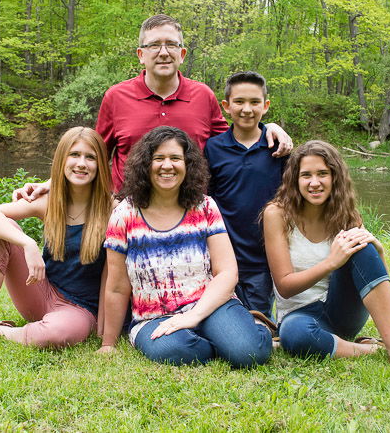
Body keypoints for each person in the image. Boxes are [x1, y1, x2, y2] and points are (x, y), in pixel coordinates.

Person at [13, 14, 292, 200]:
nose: (163, 52)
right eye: (154, 45)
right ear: (141, 55)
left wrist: (270, 128)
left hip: (190, 211)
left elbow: (234, 140)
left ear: (182, 54)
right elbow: (94, 153)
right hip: (127, 211)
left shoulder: (203, 95)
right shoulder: (116, 97)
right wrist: (52, 183)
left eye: (171, 44)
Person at [262, 140, 390, 380]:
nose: (314, 183)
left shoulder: (346, 215)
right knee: (294, 336)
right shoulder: (277, 214)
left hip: (342, 312)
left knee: (362, 246)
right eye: (306, 175)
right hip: (300, 317)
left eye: (322, 174)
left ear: (335, 177)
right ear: (295, 180)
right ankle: (372, 348)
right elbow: (284, 287)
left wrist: (378, 253)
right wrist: (330, 262)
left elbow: (372, 281)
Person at [97, 126, 272, 368]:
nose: (167, 165)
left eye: (175, 158)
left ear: (187, 164)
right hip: (154, 317)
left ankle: (253, 329)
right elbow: (117, 287)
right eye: (158, 158)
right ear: (145, 165)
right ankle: (221, 340)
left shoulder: (205, 207)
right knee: (177, 351)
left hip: (210, 305)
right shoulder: (124, 215)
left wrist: (194, 315)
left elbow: (227, 272)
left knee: (248, 353)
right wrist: (108, 343)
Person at [0, 127, 113, 354]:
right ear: (61, 160)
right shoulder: (49, 201)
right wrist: (26, 243)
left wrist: (105, 330)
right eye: (74, 155)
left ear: (101, 165)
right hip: (41, 292)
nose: (82, 163)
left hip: (79, 311)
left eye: (90, 157)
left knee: (53, 335)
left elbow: (113, 277)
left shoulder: (112, 210)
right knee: (0, 232)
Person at [204, 71, 287, 321]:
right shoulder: (213, 148)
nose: (247, 109)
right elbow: (206, 200)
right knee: (223, 316)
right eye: (239, 102)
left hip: (262, 259)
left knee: (259, 320)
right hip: (222, 255)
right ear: (226, 106)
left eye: (254, 102)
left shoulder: (279, 149)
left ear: (266, 106)